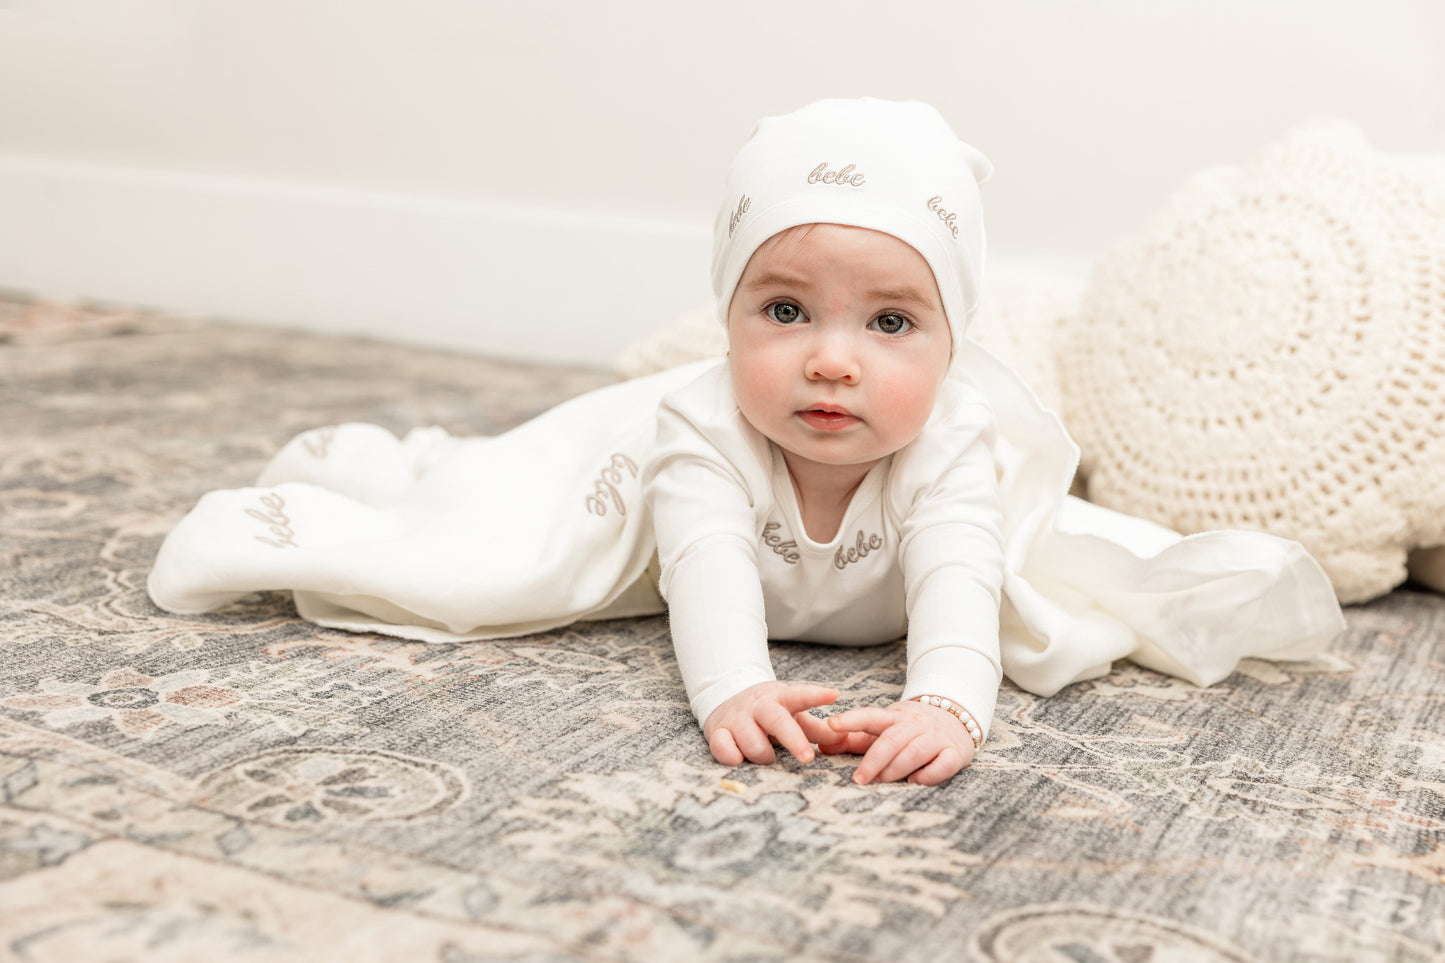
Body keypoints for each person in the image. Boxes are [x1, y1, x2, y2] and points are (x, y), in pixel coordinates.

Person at [148, 99, 1345, 786]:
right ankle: (395, 472)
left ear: (947, 341)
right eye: (784, 312)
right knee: (470, 528)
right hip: (611, 477)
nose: (832, 359)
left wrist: (948, 705)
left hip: (927, 546)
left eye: (888, 322)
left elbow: (958, 583)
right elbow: (710, 565)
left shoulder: (949, 448)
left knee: (1090, 584)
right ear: (726, 315)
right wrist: (734, 685)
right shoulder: (698, 424)